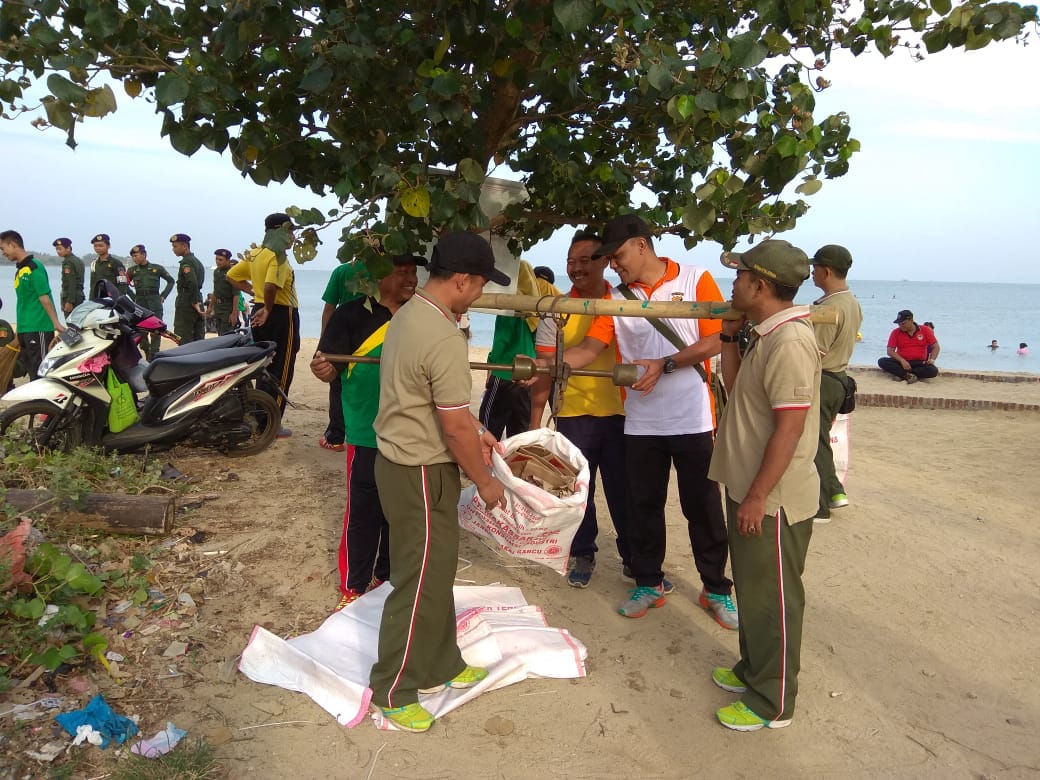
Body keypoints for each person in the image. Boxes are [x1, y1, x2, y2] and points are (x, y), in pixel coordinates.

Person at [560, 214, 736, 629]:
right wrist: (549, 367)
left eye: (617, 256)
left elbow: (717, 337)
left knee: (704, 507)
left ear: (642, 245)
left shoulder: (695, 279)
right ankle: (648, 582)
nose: (614, 265)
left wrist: (667, 363)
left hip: (693, 416)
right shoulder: (615, 296)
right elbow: (589, 347)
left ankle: (716, 589)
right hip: (641, 422)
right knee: (643, 507)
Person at [368, 232, 509, 734]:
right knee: (418, 580)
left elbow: (441, 407)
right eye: (478, 286)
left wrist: (479, 429)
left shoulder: (409, 314)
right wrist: (486, 480)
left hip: (402, 464)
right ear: (463, 280)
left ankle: (440, 662)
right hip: (421, 473)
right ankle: (392, 687)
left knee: (435, 570)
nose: (478, 296)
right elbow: (450, 425)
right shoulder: (445, 336)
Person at [708, 239, 821, 732]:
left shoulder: (791, 342)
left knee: (774, 596)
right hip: (748, 486)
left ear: (759, 284)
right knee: (753, 589)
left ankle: (772, 700)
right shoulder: (763, 334)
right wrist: (730, 339)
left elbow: (790, 428)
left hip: (771, 498)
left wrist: (757, 496)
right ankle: (752, 669)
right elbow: (737, 397)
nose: (731, 285)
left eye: (738, 277)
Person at [310, 254, 426, 611]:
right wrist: (323, 369)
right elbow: (326, 366)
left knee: (399, 511)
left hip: (409, 432)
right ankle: (354, 585)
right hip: (365, 429)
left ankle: (386, 575)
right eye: (402, 272)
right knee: (363, 511)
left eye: (413, 273)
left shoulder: (420, 316)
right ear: (380, 276)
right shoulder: (350, 314)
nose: (410, 279)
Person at [528, 230, 633, 589]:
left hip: (625, 415)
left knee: (626, 492)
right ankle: (583, 552)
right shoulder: (556, 312)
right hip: (574, 414)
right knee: (578, 493)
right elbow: (543, 369)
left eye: (585, 260)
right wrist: (535, 426)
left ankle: (633, 556)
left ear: (605, 261)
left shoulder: (627, 303)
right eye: (571, 261)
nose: (576, 268)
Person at [227, 213, 301, 435]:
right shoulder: (277, 256)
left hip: (260, 312)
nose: (293, 236)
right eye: (290, 231)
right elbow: (270, 285)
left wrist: (255, 294)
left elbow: (231, 275)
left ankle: (261, 418)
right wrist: (268, 306)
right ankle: (271, 424)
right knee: (282, 369)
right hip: (279, 314)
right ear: (280, 231)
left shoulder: (256, 253)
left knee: (265, 367)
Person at [808, 244, 863, 523]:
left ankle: (822, 504)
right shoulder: (852, 302)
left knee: (813, 443)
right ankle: (834, 492)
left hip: (824, 379)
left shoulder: (829, 309)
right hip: (839, 378)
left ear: (826, 270)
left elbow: (815, 353)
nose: (812, 273)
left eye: (815, 268)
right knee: (820, 440)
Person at [478, 261, 559, 439]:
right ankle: (515, 466)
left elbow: (502, 340)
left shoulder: (513, 305)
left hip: (506, 371)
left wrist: (491, 368)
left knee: (487, 427)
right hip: (530, 374)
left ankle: (488, 466)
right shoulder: (548, 311)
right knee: (520, 433)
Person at [0, 230, 65, 379]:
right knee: (31, 372)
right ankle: (35, 402)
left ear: (13, 244)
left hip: (39, 328)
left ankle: (44, 402)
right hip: (26, 329)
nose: (3, 253)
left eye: (3, 248)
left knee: (41, 372)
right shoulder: (21, 270)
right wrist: (20, 330)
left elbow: (44, 297)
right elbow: (24, 302)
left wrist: (56, 323)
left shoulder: (34, 267)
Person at [317, 260, 367, 451]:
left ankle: (336, 438)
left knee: (337, 386)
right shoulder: (382, 269)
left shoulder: (342, 271)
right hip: (373, 333)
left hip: (343, 333)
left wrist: (324, 341)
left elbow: (329, 307)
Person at [126, 244, 175, 360]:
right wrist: (133, 297)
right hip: (139, 305)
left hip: (155, 303)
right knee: (140, 331)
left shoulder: (157, 268)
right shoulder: (132, 270)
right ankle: (147, 351)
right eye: (133, 256)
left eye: (136, 255)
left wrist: (163, 295)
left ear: (144, 255)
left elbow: (171, 281)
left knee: (156, 331)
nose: (134, 258)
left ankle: (154, 355)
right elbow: (124, 285)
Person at [878, 310, 940, 383]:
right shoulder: (896, 332)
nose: (901, 326)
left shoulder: (925, 330)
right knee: (882, 361)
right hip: (901, 362)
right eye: (899, 324)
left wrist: (932, 359)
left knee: (933, 371)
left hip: (919, 362)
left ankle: (905, 375)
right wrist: (902, 360)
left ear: (911, 320)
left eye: (903, 323)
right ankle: (907, 375)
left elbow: (936, 347)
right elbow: (890, 351)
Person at [171, 234, 206, 344]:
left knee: (183, 336)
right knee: (198, 335)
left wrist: (193, 301)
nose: (173, 249)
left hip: (187, 302)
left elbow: (193, 282)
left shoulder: (186, 262)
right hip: (197, 299)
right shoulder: (197, 262)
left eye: (175, 246)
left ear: (185, 246)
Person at [208, 249, 241, 336]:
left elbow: (236, 294)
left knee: (226, 336)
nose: (217, 262)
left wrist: (234, 313)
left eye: (220, 260)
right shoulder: (216, 272)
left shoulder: (233, 272)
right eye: (216, 259)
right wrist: (210, 307)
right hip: (218, 307)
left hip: (228, 309)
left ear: (228, 260)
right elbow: (215, 291)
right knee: (219, 335)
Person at [88, 233, 129, 297]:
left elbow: (123, 284)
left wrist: (119, 300)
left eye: (100, 246)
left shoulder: (116, 263)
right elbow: (92, 285)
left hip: (111, 300)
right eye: (95, 246)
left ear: (108, 246)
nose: (98, 248)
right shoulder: (94, 263)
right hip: (97, 300)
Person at [53, 238, 85, 317]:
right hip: (79, 296)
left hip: (71, 297)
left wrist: (70, 301)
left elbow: (72, 282)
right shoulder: (78, 260)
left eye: (60, 249)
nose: (58, 251)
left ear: (68, 248)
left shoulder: (68, 262)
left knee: (71, 323)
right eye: (57, 249)